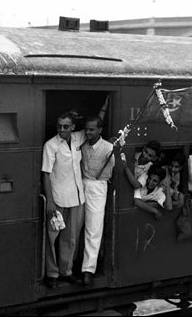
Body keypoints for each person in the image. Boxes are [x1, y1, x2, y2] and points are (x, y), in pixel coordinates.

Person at [42, 111, 87, 288]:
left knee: (71, 238)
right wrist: (50, 201)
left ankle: (66, 271)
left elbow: (97, 125)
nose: (62, 129)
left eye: (66, 126)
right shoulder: (50, 145)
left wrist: (104, 107)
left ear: (73, 127)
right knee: (52, 237)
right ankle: (51, 274)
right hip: (58, 198)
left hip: (77, 198)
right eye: (59, 126)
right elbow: (46, 174)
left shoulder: (78, 138)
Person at [79, 113, 114, 287]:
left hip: (98, 186)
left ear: (100, 130)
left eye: (92, 129)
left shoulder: (109, 148)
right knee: (76, 226)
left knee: (93, 228)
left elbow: (117, 168)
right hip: (80, 184)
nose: (88, 132)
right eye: (86, 129)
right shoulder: (82, 145)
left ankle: (88, 269)